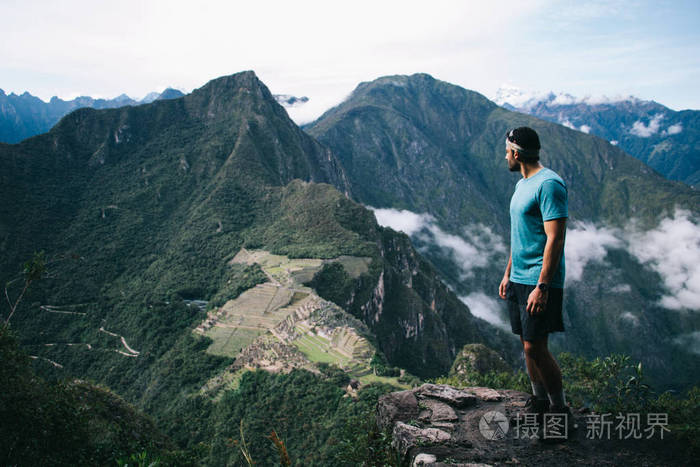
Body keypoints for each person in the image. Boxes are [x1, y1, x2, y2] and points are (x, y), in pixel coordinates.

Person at [497, 126, 573, 439]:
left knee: (536, 347)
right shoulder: (523, 184)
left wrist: (542, 286)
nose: (504, 156)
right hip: (519, 277)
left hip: (540, 280)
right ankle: (539, 404)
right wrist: (508, 271)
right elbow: (521, 236)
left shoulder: (549, 184)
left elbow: (555, 239)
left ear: (516, 153)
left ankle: (560, 412)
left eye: (506, 151)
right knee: (527, 346)